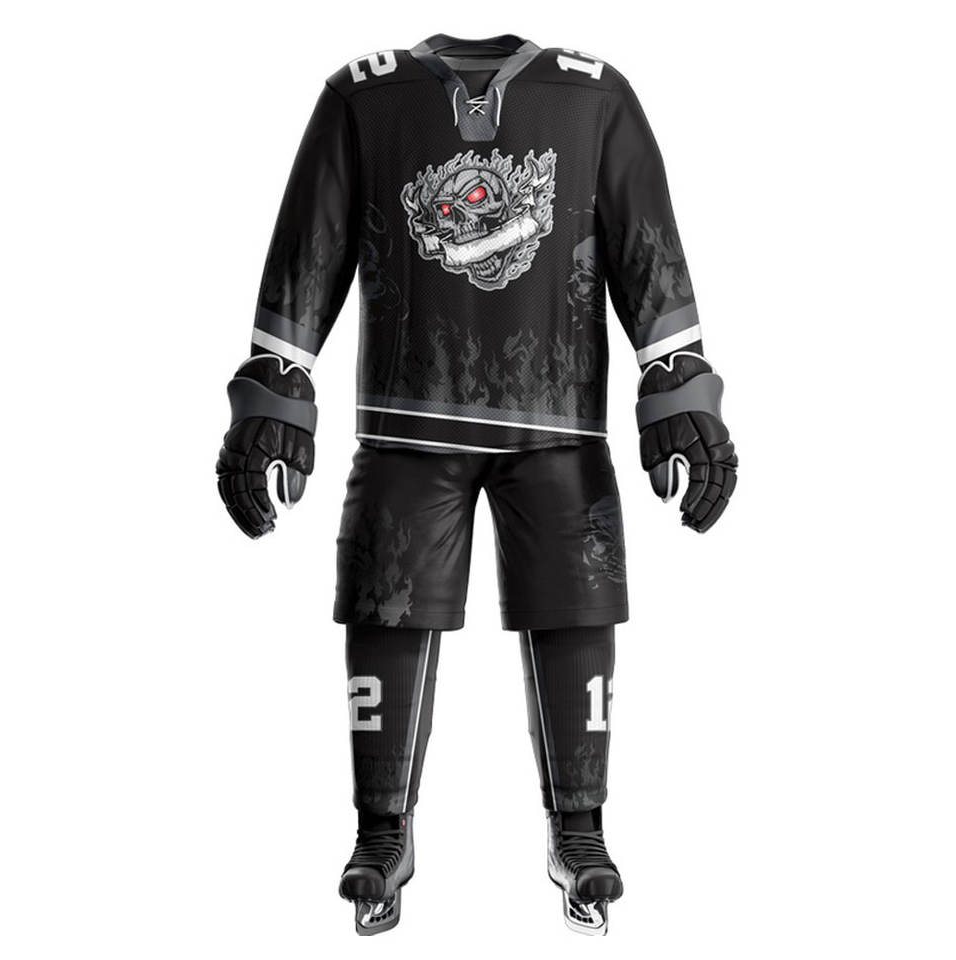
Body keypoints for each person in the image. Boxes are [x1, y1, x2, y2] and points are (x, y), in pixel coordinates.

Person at [216, 33, 738, 936]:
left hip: (558, 422)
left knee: (577, 601)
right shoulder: (363, 97)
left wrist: (676, 377)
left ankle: (581, 830)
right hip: (406, 421)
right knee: (386, 602)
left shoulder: (593, 97)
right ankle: (382, 831)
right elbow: (313, 241)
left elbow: (643, 239)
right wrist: (278, 378)